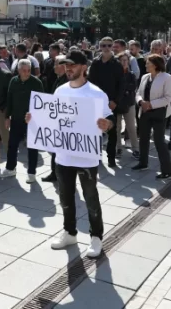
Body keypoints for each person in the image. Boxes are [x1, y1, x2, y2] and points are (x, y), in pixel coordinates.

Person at [39, 50, 114, 258]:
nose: (68, 68)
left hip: (86, 157)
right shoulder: (60, 91)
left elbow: (110, 120)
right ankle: (69, 232)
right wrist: (35, 120)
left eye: (72, 65)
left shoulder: (97, 94)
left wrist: (107, 124)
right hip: (63, 156)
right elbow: (52, 118)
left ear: (84, 67)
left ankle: (96, 237)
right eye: (66, 65)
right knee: (65, 197)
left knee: (91, 197)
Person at [0, 59, 44, 182]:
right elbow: (10, 99)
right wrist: (7, 117)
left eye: (29, 70)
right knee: (12, 145)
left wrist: (37, 117)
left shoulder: (36, 83)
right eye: (24, 70)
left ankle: (32, 172)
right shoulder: (14, 81)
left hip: (32, 121)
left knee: (32, 147)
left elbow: (41, 102)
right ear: (18, 70)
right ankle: (10, 168)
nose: (27, 73)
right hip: (16, 119)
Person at [132, 54, 171, 178]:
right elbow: (138, 92)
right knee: (143, 138)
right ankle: (143, 163)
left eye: (148, 63)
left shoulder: (166, 77)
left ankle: (168, 170)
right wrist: (141, 102)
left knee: (159, 141)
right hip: (145, 112)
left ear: (155, 65)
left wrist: (151, 104)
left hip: (159, 113)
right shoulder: (145, 77)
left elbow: (168, 97)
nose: (145, 65)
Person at [88, 37, 124, 168]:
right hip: (95, 102)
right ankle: (96, 157)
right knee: (95, 129)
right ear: (100, 47)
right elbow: (89, 82)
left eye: (109, 45)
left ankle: (111, 158)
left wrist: (115, 101)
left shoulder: (117, 64)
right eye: (104, 45)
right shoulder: (95, 63)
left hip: (110, 103)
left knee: (112, 131)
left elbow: (121, 85)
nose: (107, 48)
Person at [40, 54, 69, 183]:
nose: (54, 66)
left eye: (56, 64)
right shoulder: (58, 79)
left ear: (63, 66)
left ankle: (58, 173)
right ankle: (55, 172)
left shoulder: (65, 82)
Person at [115, 52, 139, 160]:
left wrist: (123, 88)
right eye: (122, 60)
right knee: (117, 128)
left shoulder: (131, 74)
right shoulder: (114, 74)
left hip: (129, 104)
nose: (124, 62)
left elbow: (133, 87)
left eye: (126, 60)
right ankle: (118, 148)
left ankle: (136, 149)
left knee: (131, 128)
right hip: (117, 104)